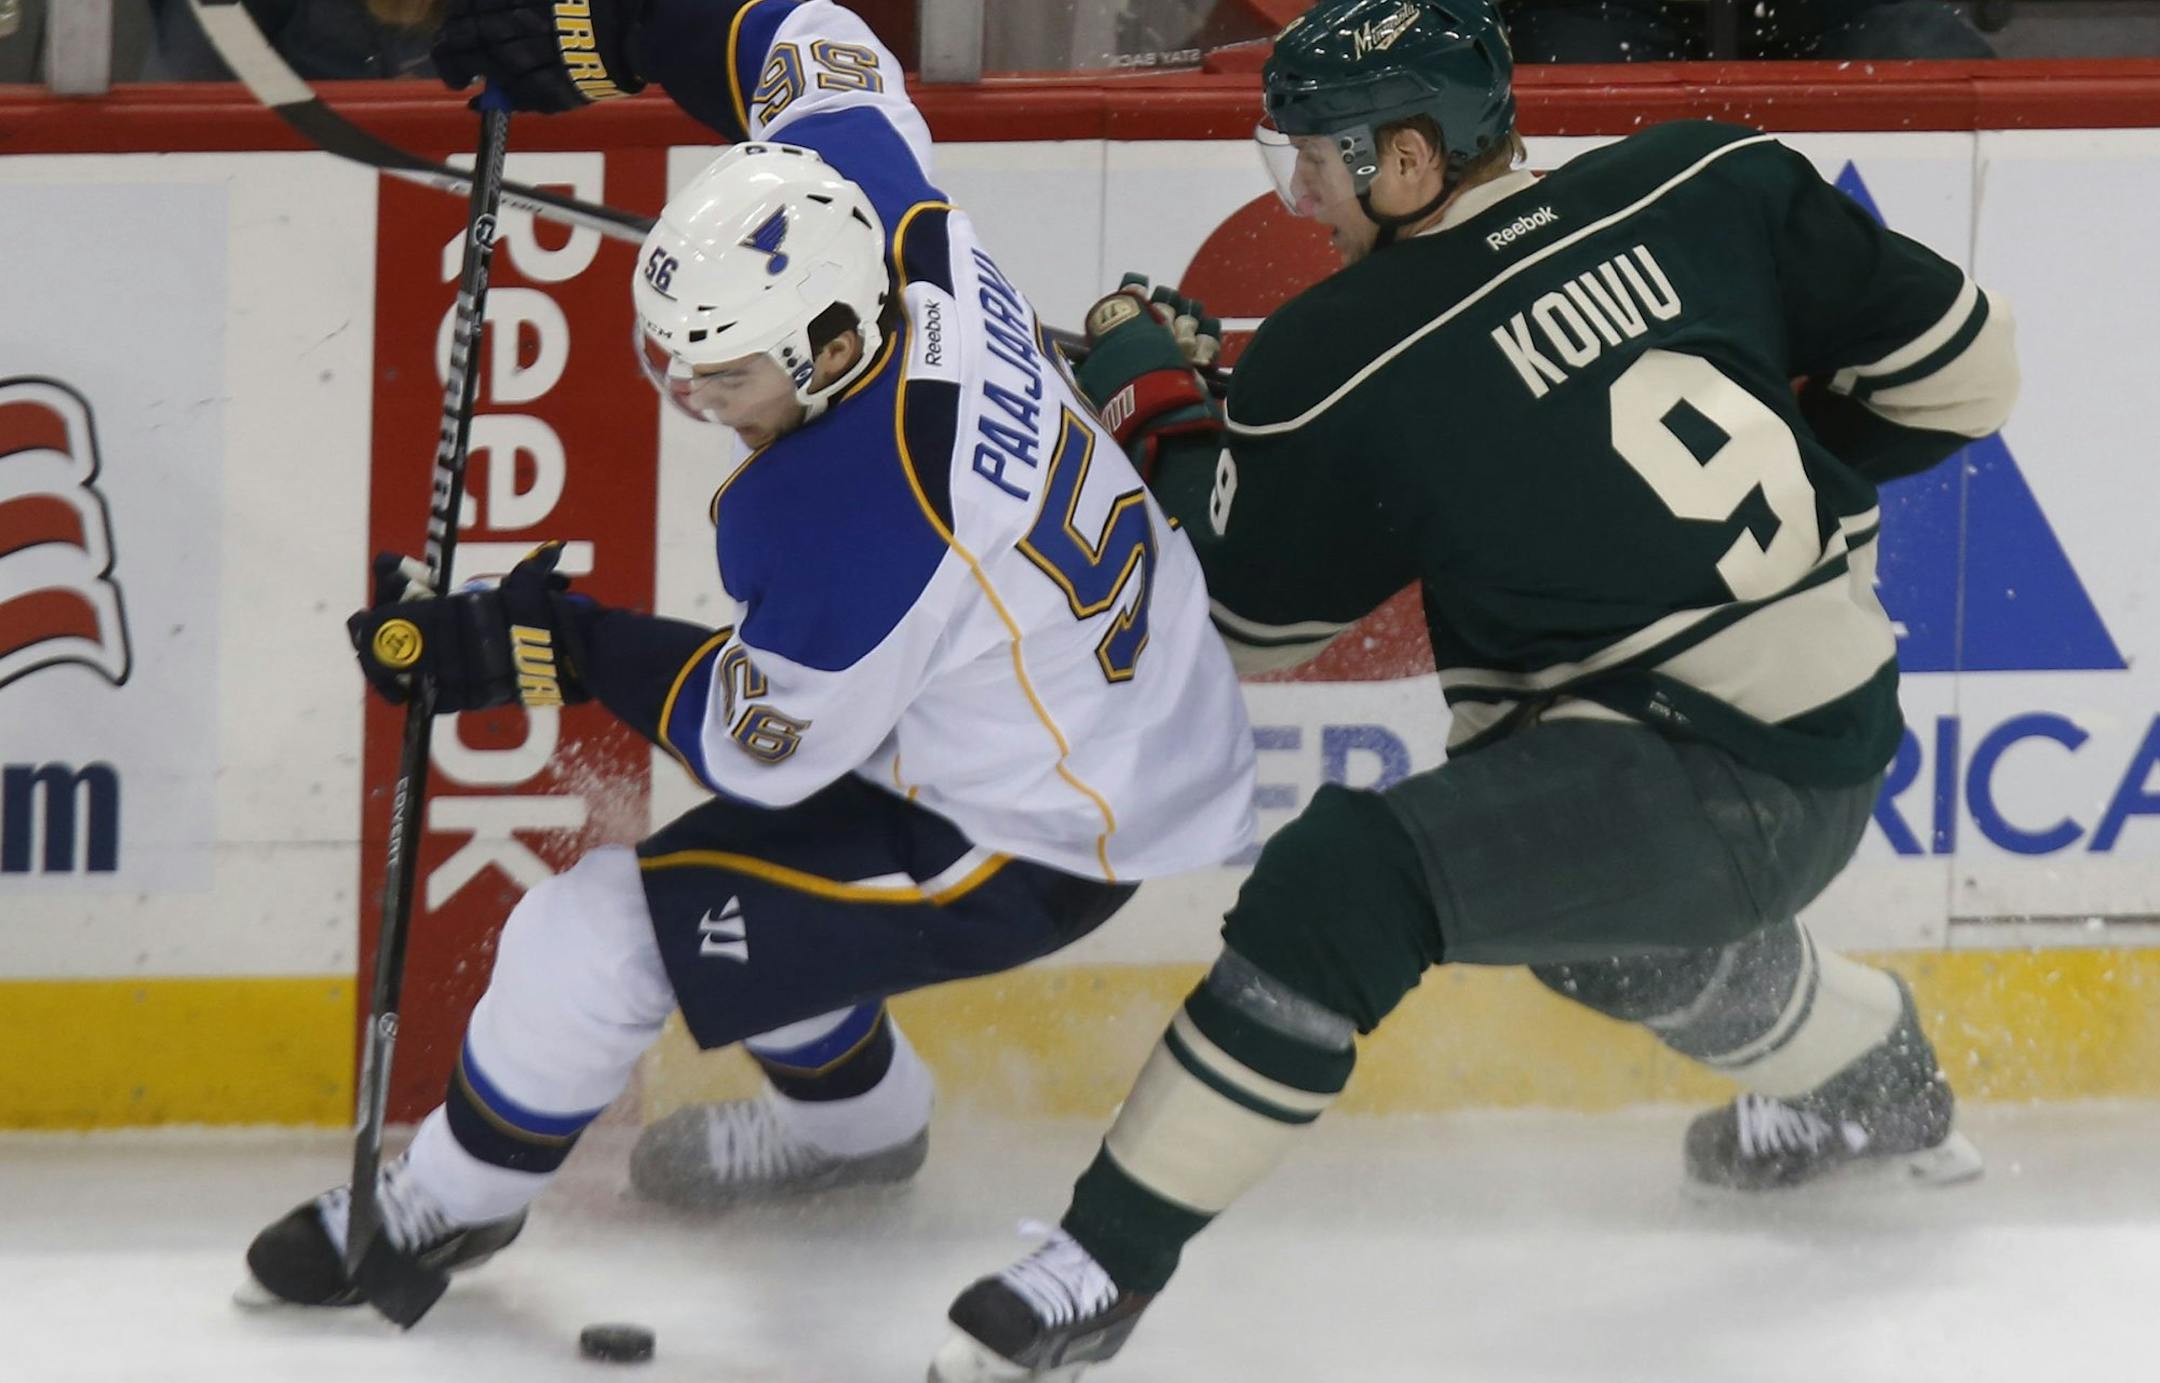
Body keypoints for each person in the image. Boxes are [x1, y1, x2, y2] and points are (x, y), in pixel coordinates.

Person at [928, 0, 2018, 1376]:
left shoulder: (1350, 346)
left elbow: (1245, 620)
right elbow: (1971, 380)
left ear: (1407, 158)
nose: (1302, 196)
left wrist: (1162, 401)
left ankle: (1099, 1276)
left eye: (1317, 162)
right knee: (1599, 933)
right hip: (1837, 732)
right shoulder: (1705, 174)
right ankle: (1883, 1090)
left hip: (1694, 775)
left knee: (1352, 881)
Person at [241, 0, 1258, 1319]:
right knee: (751, 908)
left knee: (598, 933)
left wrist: (551, 644)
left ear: (832, 348)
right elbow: (815, 41)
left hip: (1047, 830)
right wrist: (612, 29)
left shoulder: (861, 515)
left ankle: (442, 1207)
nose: (700, 404)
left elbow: (753, 748)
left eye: (725, 379)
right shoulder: (876, 213)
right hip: (1078, 699)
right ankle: (861, 1137)